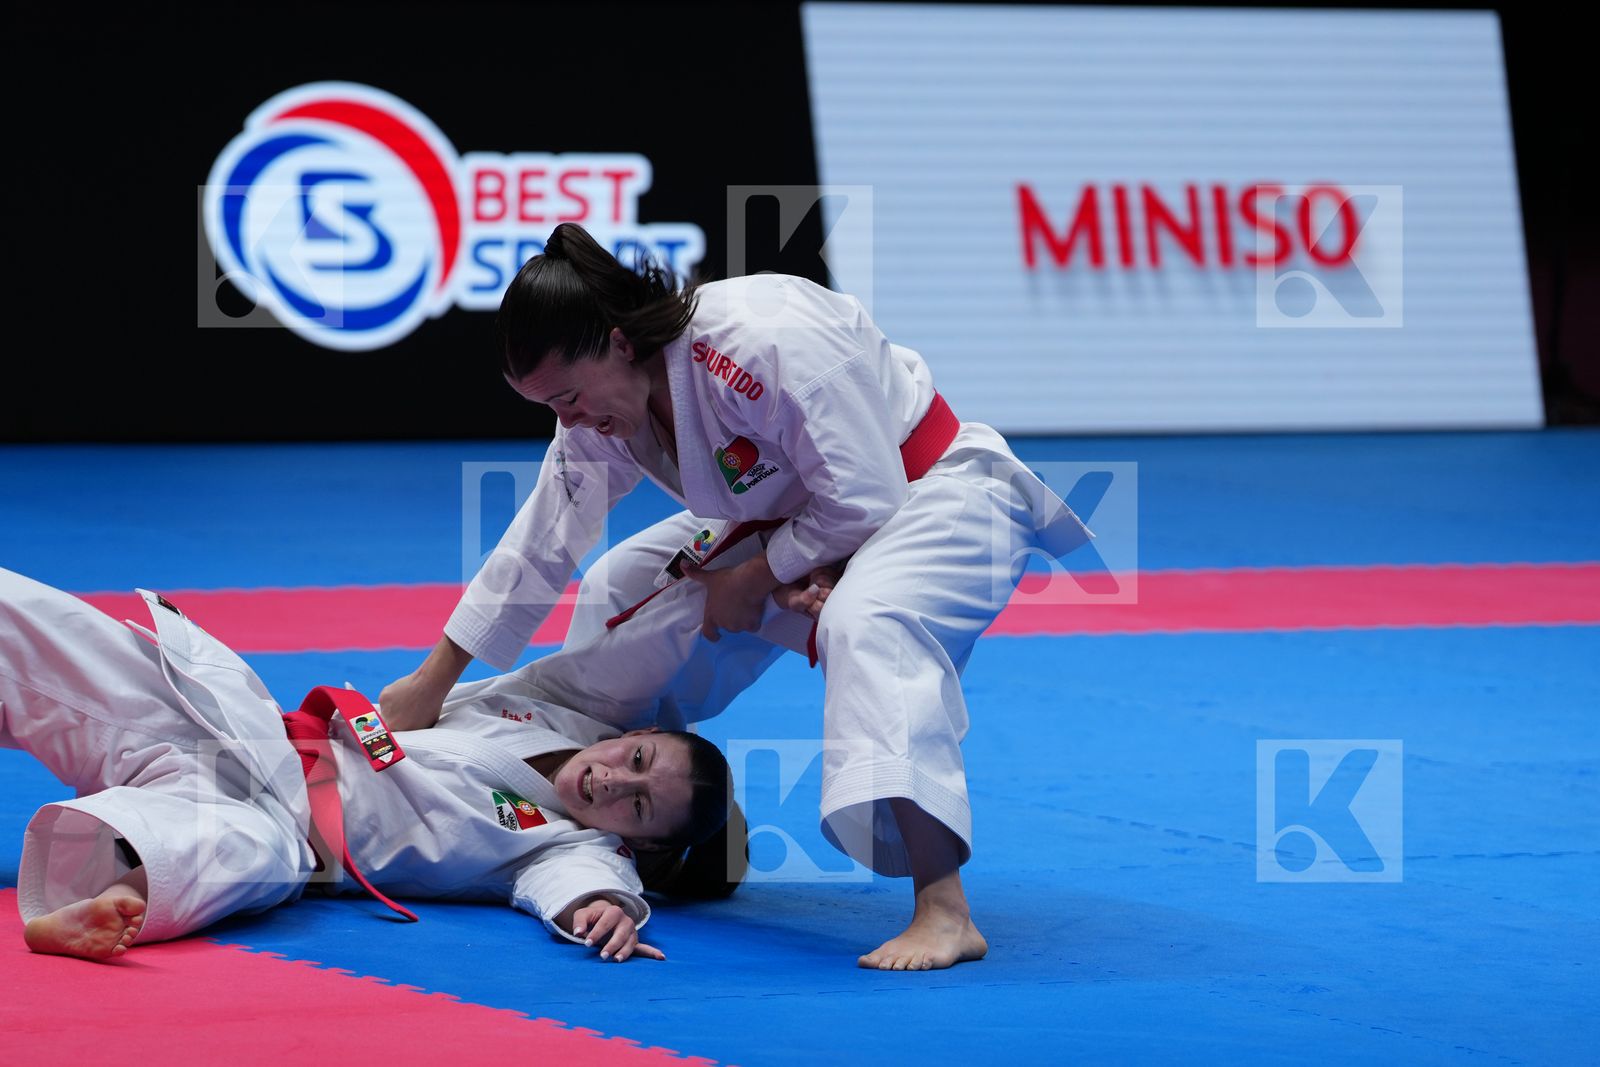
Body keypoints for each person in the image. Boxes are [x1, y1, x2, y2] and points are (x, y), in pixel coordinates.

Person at [380, 223, 1091, 971]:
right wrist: (434, 680)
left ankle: (944, 908)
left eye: (568, 397)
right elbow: (543, 535)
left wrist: (756, 578)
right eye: (547, 407)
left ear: (620, 342)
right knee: (622, 585)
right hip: (806, 514)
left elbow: (870, 493)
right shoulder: (604, 401)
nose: (568, 421)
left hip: (937, 495)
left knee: (865, 619)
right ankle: (643, 819)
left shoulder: (760, 340)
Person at [0, 566, 735, 964]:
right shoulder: (552, 707)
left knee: (233, 859)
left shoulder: (570, 846)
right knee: (51, 635)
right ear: (634, 729)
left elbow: (578, 883)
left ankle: (96, 904)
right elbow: (655, 605)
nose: (613, 778)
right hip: (257, 737)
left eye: (636, 804)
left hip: (288, 833)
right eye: (636, 758)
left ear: (635, 844)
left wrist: (603, 907)